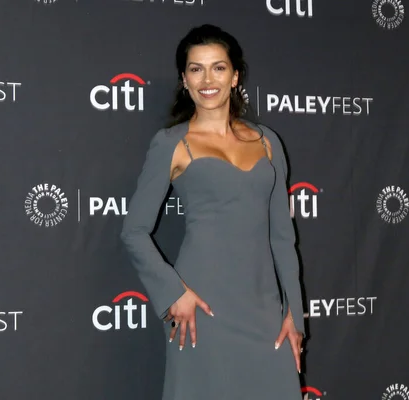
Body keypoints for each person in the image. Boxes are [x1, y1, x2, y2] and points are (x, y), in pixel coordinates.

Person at [120, 24, 306, 400]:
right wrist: (174, 293)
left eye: (218, 68)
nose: (208, 79)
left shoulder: (268, 141)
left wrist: (295, 314)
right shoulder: (171, 143)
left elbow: (283, 237)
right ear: (184, 79)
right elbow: (134, 231)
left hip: (264, 308)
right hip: (201, 305)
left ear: (235, 76)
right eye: (196, 68)